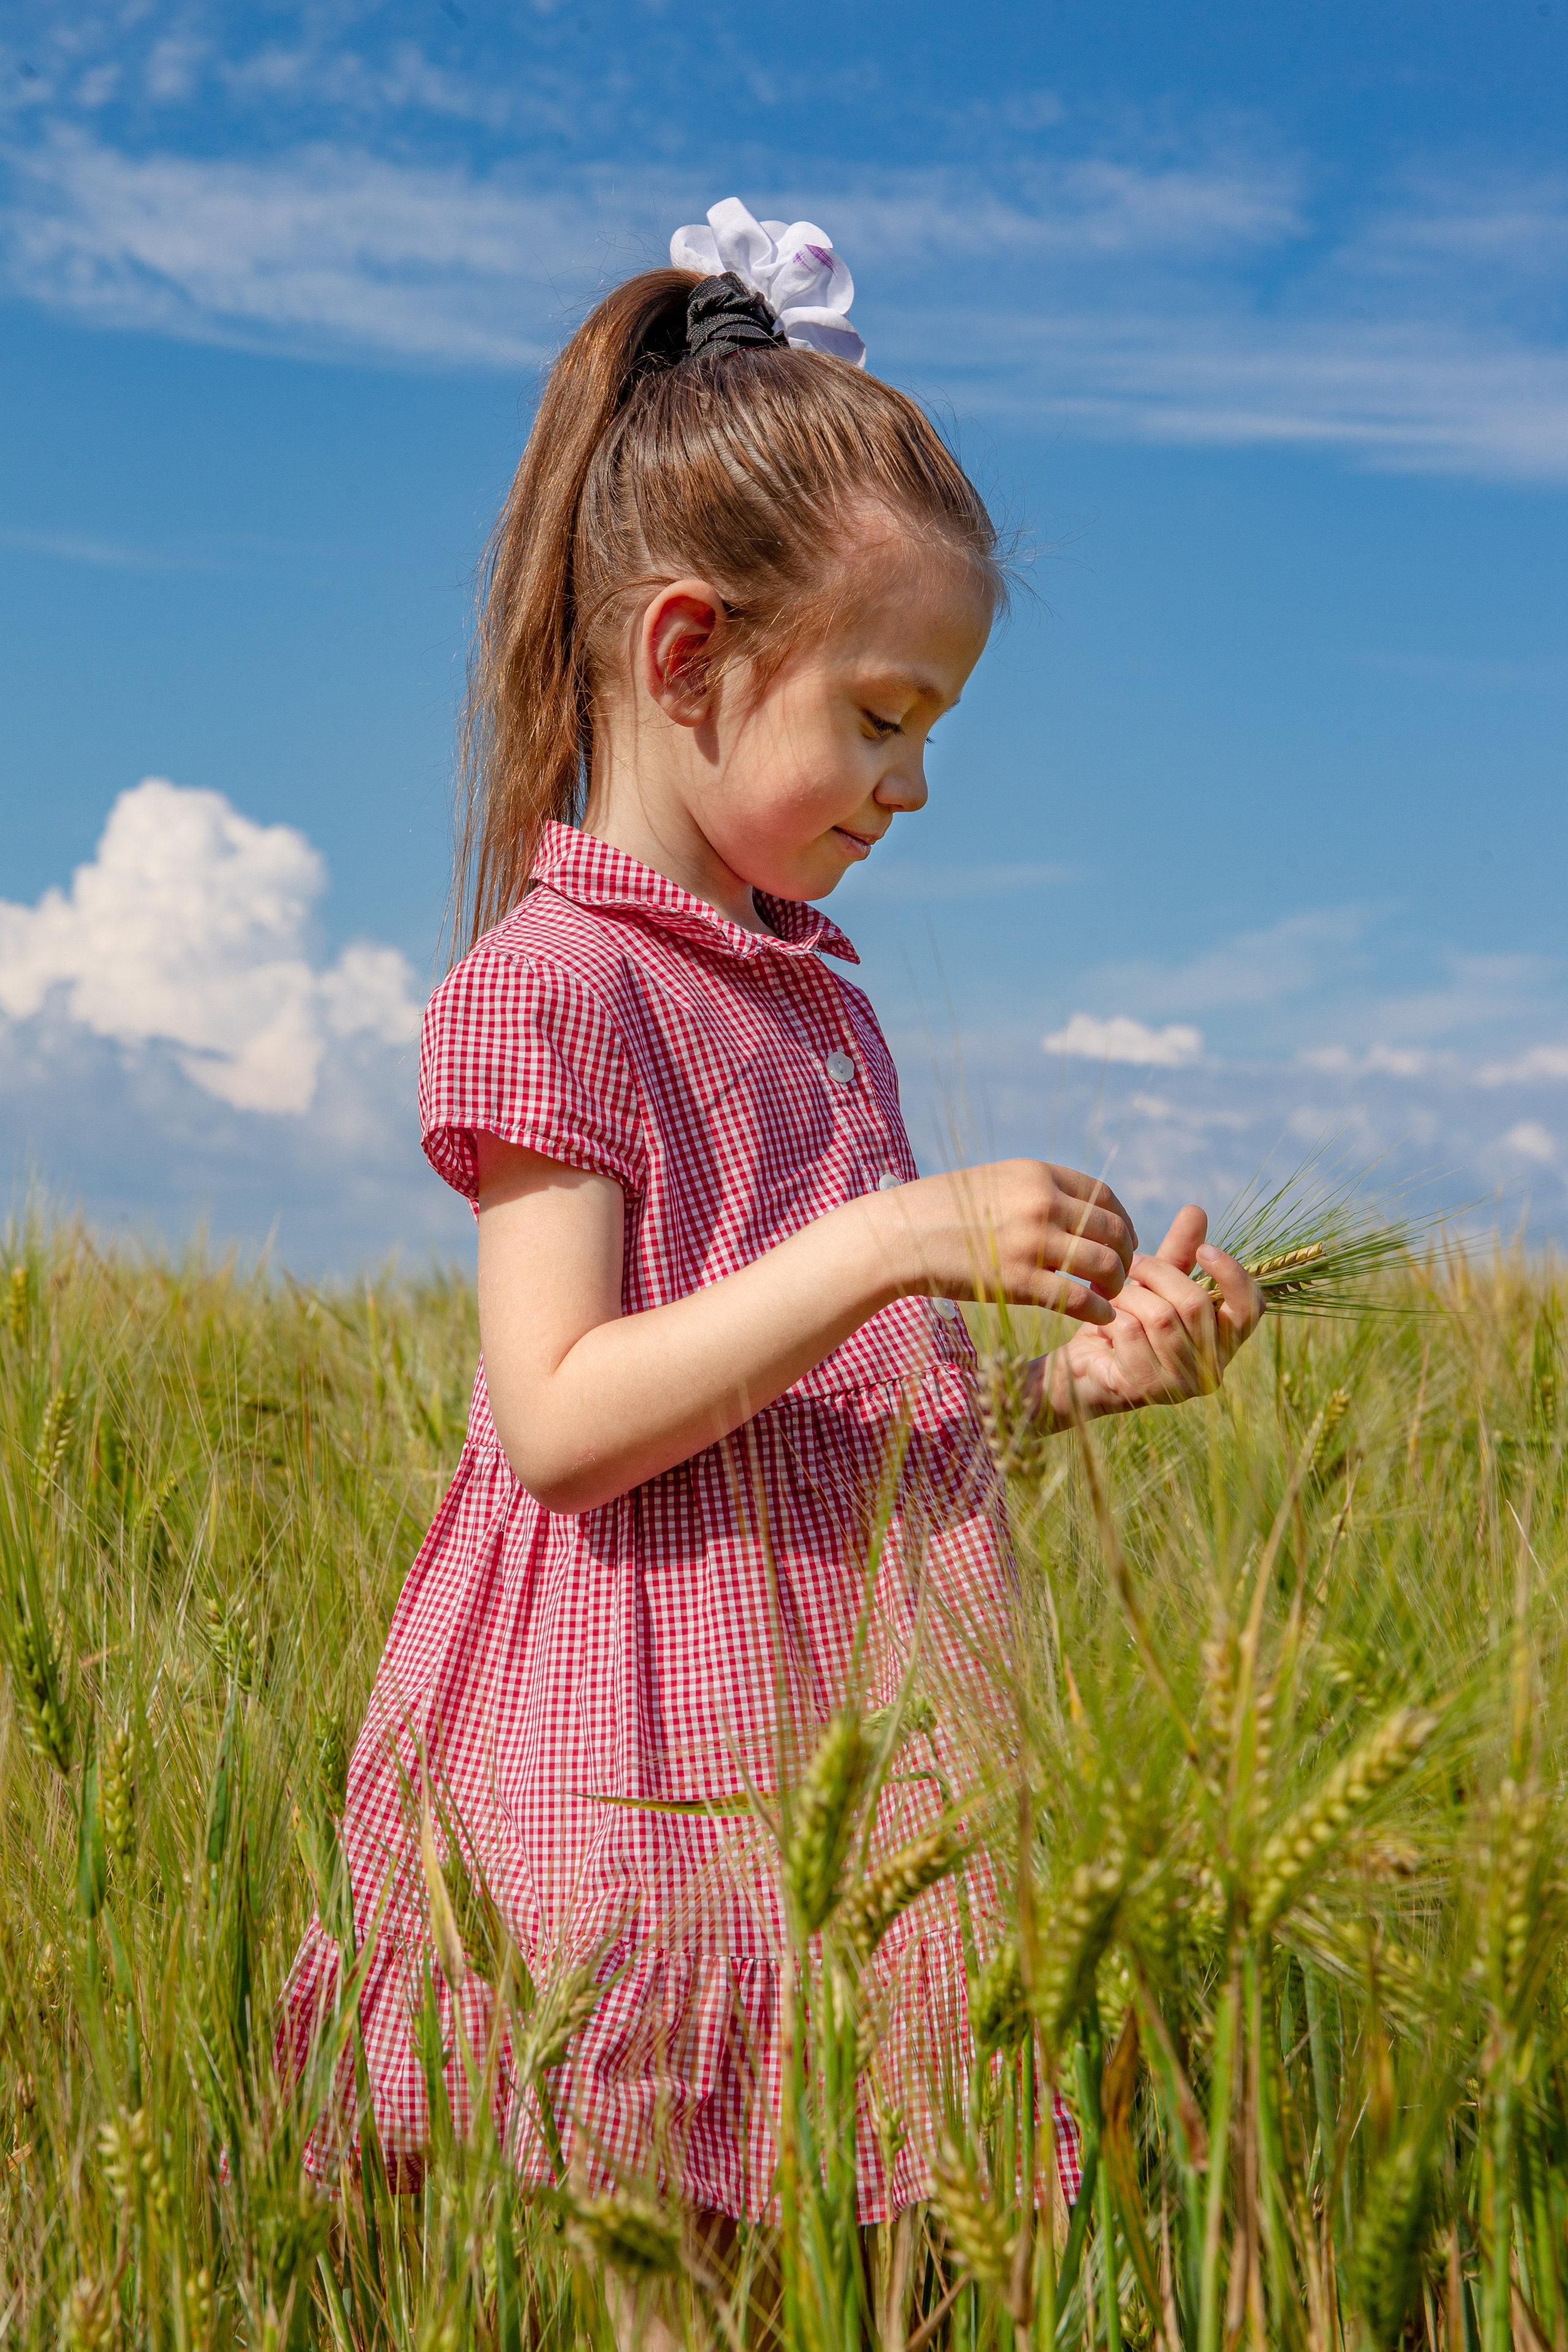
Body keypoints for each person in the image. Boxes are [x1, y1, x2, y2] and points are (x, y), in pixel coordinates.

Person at [280, 199, 1264, 2252]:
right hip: (648, 1758)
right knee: (680, 2245)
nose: (912, 787)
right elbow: (557, 1415)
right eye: (886, 714)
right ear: (687, 655)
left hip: (861, 1731)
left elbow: (839, 1410)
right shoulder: (555, 981)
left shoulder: (819, 1003)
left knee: (887, 2251)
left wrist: (1077, 1386)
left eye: (936, 732)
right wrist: (892, 1239)